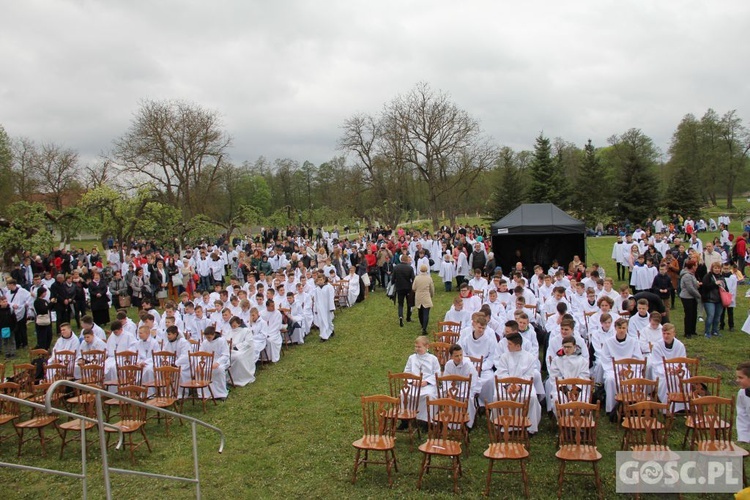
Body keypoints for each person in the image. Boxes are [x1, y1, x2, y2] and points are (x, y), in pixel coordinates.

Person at [495, 333, 542, 433]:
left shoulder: (529, 357)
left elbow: (529, 375)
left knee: (532, 397)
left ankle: (528, 426)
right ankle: (503, 423)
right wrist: (508, 385)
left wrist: (518, 386)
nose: (507, 346)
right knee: (497, 397)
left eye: (510, 344)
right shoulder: (504, 356)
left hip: (524, 386)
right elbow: (502, 372)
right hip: (506, 385)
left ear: (518, 346)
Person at [600, 318, 643, 414]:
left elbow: (638, 358)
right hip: (613, 370)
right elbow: (605, 359)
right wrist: (618, 369)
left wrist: (627, 369)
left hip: (630, 369)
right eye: (619, 327)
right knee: (610, 379)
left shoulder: (633, 341)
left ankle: (633, 406)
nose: (621, 330)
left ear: (627, 328)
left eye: (624, 328)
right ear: (615, 328)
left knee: (638, 379)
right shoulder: (608, 342)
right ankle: (612, 408)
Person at [458, 313, 497, 407]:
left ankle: (485, 404)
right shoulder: (467, 339)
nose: (481, 330)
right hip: (469, 366)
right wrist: (471, 365)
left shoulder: (490, 341)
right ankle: (467, 402)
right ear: (475, 325)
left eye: (483, 328)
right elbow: (463, 353)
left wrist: (481, 367)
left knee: (490, 380)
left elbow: (492, 357)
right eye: (479, 327)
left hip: (483, 368)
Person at [547, 335, 590, 416]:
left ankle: (579, 423)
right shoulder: (557, 360)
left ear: (574, 347)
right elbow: (555, 377)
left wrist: (574, 391)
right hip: (561, 389)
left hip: (578, 389)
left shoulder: (582, 361)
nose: (566, 349)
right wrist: (567, 392)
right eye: (564, 347)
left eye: (569, 347)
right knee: (558, 399)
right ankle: (563, 423)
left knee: (582, 399)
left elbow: (584, 376)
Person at [647, 323, 688, 407]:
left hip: (677, 370)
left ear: (674, 334)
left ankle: (683, 405)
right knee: (667, 380)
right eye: (664, 333)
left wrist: (676, 369)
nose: (666, 336)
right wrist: (667, 369)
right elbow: (656, 362)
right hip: (662, 371)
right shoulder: (657, 346)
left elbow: (682, 361)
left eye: (668, 334)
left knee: (683, 378)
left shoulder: (680, 346)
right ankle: (667, 406)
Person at [403, 335, 441, 423]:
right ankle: (405, 418)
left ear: (427, 346)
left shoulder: (433, 359)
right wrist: (412, 381)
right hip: (414, 384)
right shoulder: (411, 358)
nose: (417, 349)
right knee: (403, 393)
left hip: (427, 385)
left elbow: (437, 373)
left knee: (430, 396)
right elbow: (407, 371)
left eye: (419, 347)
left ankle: (427, 420)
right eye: (415, 346)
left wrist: (426, 382)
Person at [443, 344, 479, 427]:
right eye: (456, 356)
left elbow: (470, 382)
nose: (459, 358)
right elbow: (446, 380)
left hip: (468, 388)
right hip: (452, 388)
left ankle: (467, 422)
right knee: (443, 396)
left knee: (467, 398)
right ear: (451, 356)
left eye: (461, 355)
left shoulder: (468, 365)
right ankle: (450, 421)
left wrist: (456, 392)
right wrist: (449, 391)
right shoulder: (448, 364)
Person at [199, 325, 229, 400]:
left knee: (219, 370)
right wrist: (200, 362)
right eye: (206, 337)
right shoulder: (205, 342)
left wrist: (218, 363)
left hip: (221, 361)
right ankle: (205, 393)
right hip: (208, 361)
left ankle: (221, 393)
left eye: (209, 337)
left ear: (213, 334)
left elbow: (225, 355)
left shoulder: (221, 341)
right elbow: (201, 354)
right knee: (200, 370)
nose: (208, 339)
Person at [226, 316, 256, 386]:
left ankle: (240, 377)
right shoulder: (230, 331)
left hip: (242, 350)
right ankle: (230, 377)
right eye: (232, 326)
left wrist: (237, 347)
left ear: (239, 324)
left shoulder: (246, 331)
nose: (233, 327)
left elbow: (248, 343)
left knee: (238, 357)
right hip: (231, 350)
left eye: (234, 325)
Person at [4, 278, 31, 349]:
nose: (7, 287)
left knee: (22, 328)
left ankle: (24, 343)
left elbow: (29, 297)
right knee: (15, 328)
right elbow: (7, 301)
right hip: (13, 312)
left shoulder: (22, 291)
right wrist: (12, 304)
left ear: (12, 285)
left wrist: (26, 304)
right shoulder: (7, 293)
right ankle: (17, 343)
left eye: (8, 285)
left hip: (21, 310)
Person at [701, 261, 725, 338]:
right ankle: (707, 332)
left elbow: (725, 287)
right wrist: (715, 284)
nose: (717, 269)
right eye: (715, 268)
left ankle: (715, 331)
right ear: (712, 268)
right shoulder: (708, 276)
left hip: (719, 300)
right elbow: (705, 287)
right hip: (709, 300)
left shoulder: (721, 277)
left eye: (718, 268)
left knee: (717, 317)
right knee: (710, 316)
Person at [679, 260, 701, 339]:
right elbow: (690, 288)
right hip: (687, 297)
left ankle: (692, 330)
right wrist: (698, 295)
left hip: (692, 297)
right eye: (695, 266)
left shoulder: (692, 274)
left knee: (693, 314)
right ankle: (687, 332)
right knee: (689, 315)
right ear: (692, 267)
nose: (696, 267)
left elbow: (693, 284)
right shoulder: (687, 276)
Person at [392, 255, 415, 327]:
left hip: (399, 288)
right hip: (408, 287)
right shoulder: (410, 268)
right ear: (406, 260)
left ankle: (401, 317)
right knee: (409, 303)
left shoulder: (396, 268)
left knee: (400, 303)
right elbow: (413, 278)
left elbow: (393, 279)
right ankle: (408, 317)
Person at [412, 264, 435, 335]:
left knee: (420, 311)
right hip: (426, 296)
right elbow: (432, 288)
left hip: (418, 296)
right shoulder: (429, 278)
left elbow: (413, 288)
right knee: (426, 313)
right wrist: (431, 295)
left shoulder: (417, 278)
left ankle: (422, 325)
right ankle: (424, 328)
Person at [312, 276, 335, 342]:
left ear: (324, 280)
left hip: (327, 307)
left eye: (321, 280)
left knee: (328, 320)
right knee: (322, 321)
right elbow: (315, 300)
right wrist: (315, 309)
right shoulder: (316, 289)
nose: (320, 281)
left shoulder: (328, 287)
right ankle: (324, 336)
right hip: (320, 308)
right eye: (318, 280)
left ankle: (331, 330)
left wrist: (331, 307)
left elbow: (331, 298)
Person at [33, 286, 53, 351]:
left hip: (47, 321)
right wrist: (50, 303)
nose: (45, 294)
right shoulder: (37, 301)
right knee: (42, 337)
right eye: (44, 292)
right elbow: (43, 310)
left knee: (49, 336)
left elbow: (49, 308)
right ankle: (42, 350)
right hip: (41, 322)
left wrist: (52, 303)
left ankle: (47, 348)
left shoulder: (45, 301)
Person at [736, 361, 750, 443]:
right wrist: (743, 438)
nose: (737, 380)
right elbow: (742, 416)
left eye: (740, 378)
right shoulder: (742, 393)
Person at [0, 295, 17, 359]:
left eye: (6, 301)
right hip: (3, 329)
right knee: (5, 341)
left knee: (12, 341)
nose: (5, 303)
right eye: (3, 302)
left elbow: (14, 319)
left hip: (11, 328)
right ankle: (7, 353)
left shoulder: (10, 310)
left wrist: (14, 327)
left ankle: (12, 353)